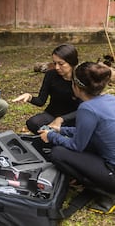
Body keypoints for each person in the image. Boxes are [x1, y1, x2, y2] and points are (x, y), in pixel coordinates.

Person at [39, 62, 115, 214]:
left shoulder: (87, 108)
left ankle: (106, 192)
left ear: (76, 86)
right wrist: (61, 129)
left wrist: (52, 136)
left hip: (112, 173)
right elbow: (89, 131)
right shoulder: (110, 98)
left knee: (58, 153)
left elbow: (76, 146)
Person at [12, 44, 81, 133]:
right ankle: (53, 135)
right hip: (52, 115)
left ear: (72, 62)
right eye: (54, 63)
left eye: (61, 64)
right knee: (33, 123)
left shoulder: (80, 78)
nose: (57, 67)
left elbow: (85, 108)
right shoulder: (51, 75)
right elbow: (41, 101)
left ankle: (58, 135)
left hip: (73, 119)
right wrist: (29, 97)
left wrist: (61, 119)